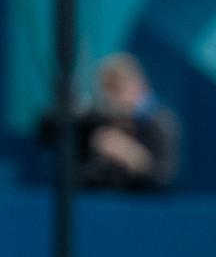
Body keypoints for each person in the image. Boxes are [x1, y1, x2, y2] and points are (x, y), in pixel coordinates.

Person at [59, 52, 181, 190]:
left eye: (116, 89)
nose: (112, 100)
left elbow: (165, 180)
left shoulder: (161, 122)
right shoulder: (100, 122)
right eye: (107, 90)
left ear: (137, 86)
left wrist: (127, 153)